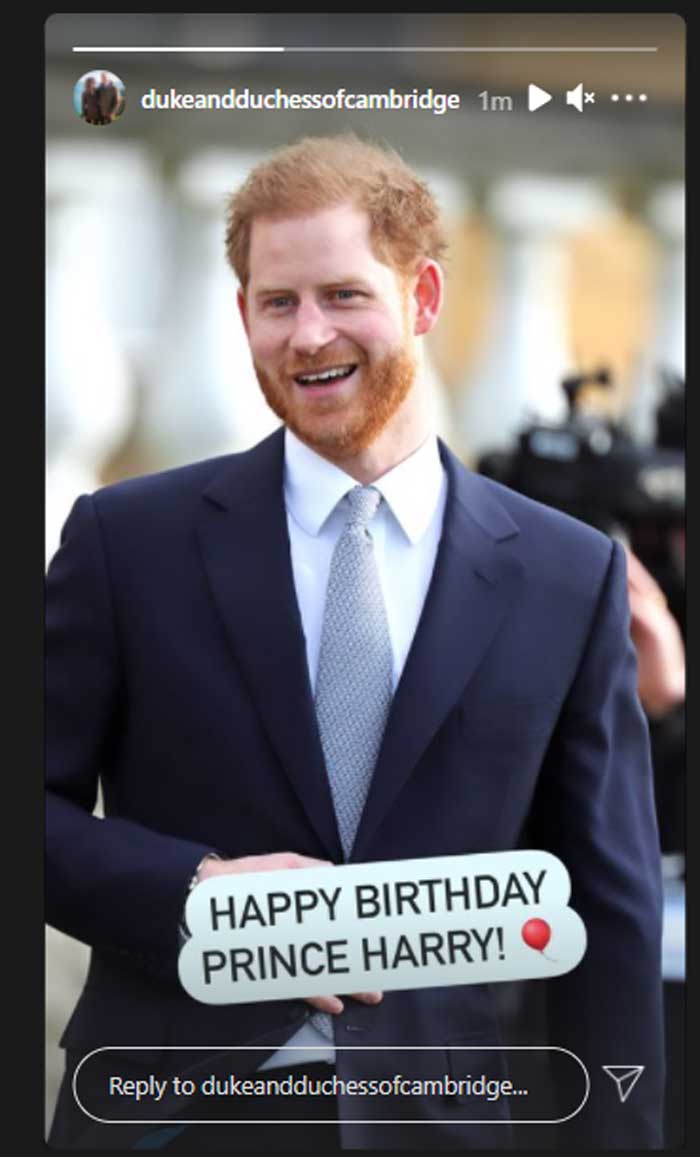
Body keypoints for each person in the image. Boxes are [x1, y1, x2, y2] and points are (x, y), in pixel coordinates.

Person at [46, 134, 664, 1149]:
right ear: (242, 313)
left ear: (422, 297)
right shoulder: (126, 542)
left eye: (343, 294)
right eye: (277, 302)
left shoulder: (568, 574)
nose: (307, 333)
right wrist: (193, 890)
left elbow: (611, 908)